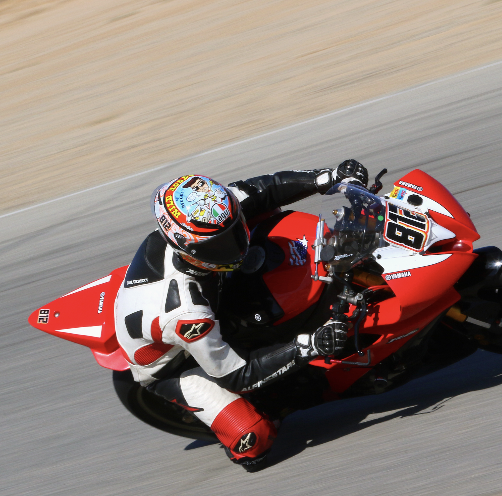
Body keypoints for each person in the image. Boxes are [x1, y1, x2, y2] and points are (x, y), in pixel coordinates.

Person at [114, 160, 368, 470]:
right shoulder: (185, 312)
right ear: (187, 249)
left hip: (212, 295)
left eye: (234, 230)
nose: (235, 246)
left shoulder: (209, 214)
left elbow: (262, 189)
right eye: (220, 245)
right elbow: (235, 374)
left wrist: (327, 178)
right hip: (177, 364)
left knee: (261, 213)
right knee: (254, 439)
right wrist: (308, 346)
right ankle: (255, 421)